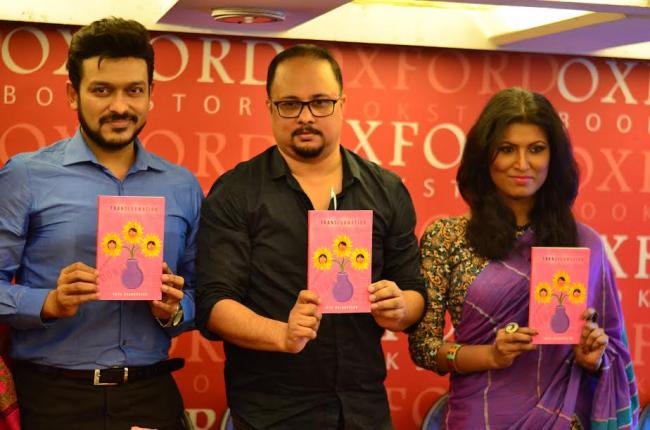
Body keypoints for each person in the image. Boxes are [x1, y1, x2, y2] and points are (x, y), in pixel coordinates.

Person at [196, 44, 426, 429]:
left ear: (342, 104)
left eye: (320, 102)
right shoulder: (237, 192)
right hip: (271, 411)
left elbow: (415, 291)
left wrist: (401, 308)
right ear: (270, 108)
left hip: (363, 409)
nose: (305, 116)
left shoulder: (386, 190)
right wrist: (282, 334)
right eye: (290, 104)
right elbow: (214, 303)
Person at [0, 18, 202, 430]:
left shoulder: (182, 186)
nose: (120, 107)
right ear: (72, 94)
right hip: (52, 398)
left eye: (134, 91)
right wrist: (48, 303)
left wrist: (175, 309)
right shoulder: (25, 175)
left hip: (150, 396)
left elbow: (205, 293)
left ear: (151, 94)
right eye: (102, 90)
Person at [408, 87, 639, 429]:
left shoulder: (583, 243)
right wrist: (491, 355)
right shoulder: (448, 237)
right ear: (484, 157)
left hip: (564, 418)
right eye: (506, 149)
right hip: (479, 417)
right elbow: (424, 348)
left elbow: (610, 350)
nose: (522, 163)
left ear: (553, 158)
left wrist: (593, 358)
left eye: (536, 149)